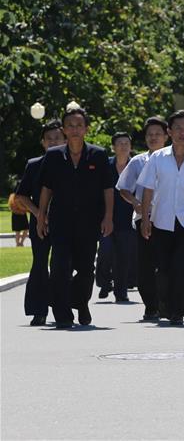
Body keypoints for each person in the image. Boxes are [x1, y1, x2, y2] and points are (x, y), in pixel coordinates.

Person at [37, 106, 115, 328]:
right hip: (60, 221)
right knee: (60, 267)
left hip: (89, 222)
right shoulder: (53, 156)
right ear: (64, 129)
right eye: (70, 125)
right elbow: (46, 189)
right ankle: (62, 315)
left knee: (85, 269)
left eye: (79, 125)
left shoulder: (98, 155)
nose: (74, 129)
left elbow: (107, 188)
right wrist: (41, 216)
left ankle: (81, 303)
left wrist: (108, 216)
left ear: (86, 129)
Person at [137, 110, 184, 325]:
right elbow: (147, 190)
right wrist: (145, 219)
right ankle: (165, 304)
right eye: (178, 128)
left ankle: (178, 311)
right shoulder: (158, 158)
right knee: (164, 268)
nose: (182, 132)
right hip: (161, 220)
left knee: (182, 266)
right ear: (169, 131)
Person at [117, 116, 168, 321]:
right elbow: (123, 188)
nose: (153, 138)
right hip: (144, 218)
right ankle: (150, 305)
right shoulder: (138, 161)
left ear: (166, 136)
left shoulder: (175, 159)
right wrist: (136, 203)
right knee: (145, 264)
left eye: (158, 134)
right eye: (150, 135)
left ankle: (166, 302)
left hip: (169, 218)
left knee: (167, 263)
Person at [14, 119, 65, 326]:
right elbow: (21, 196)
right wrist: (38, 214)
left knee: (63, 265)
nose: (53, 142)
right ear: (43, 142)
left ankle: (65, 307)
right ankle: (39, 310)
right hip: (40, 223)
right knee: (40, 264)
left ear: (65, 139)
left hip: (67, 223)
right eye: (49, 139)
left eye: (57, 138)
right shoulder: (34, 165)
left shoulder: (72, 162)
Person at [96, 132, 136, 302]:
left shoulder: (135, 167)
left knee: (123, 255)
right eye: (119, 143)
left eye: (126, 143)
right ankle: (104, 283)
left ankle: (121, 291)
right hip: (106, 216)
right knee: (105, 251)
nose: (123, 146)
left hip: (128, 217)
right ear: (113, 147)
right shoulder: (106, 166)